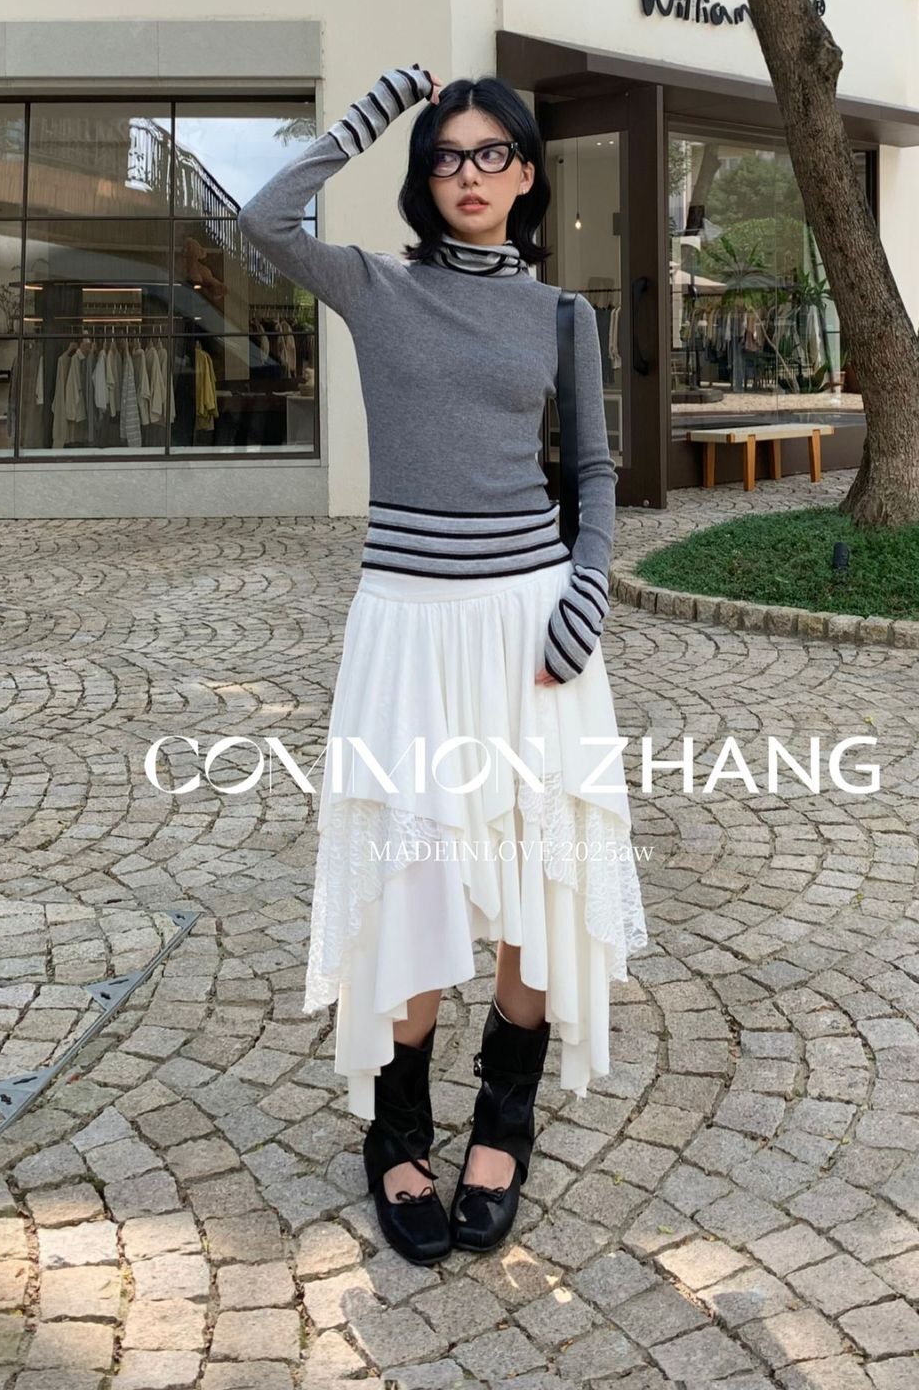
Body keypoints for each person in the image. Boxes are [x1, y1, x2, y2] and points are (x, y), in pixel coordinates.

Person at [240, 64, 648, 1265]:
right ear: (423, 177)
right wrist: (371, 118)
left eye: (490, 153)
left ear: (524, 174)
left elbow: (590, 475)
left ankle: (503, 1123)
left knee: (536, 876)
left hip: (531, 629)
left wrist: (586, 594)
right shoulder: (375, 286)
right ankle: (398, 1130)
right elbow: (263, 220)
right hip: (407, 630)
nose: (469, 174)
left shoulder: (561, 316)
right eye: (446, 156)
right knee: (410, 875)